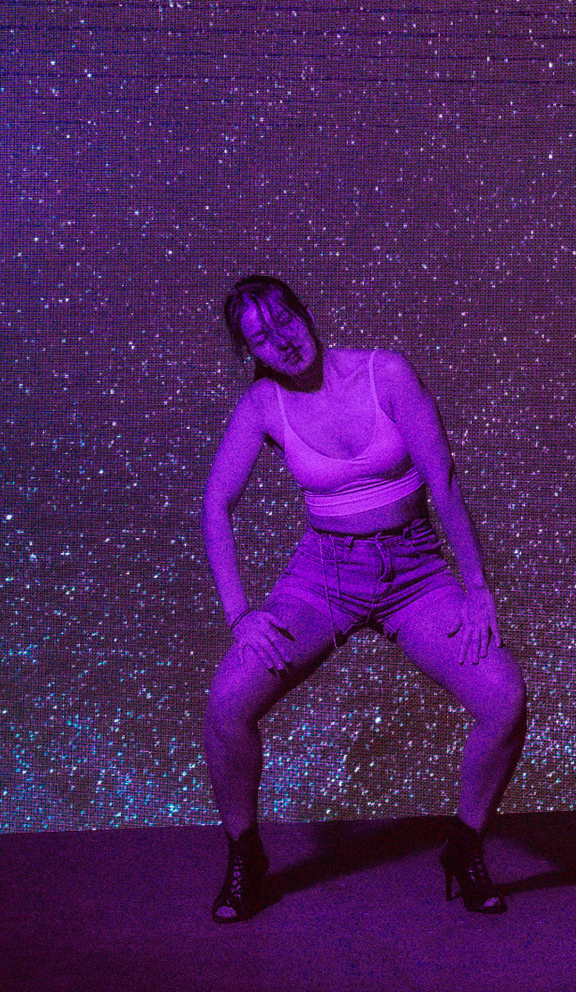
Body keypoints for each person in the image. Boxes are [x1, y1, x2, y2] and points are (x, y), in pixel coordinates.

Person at [201, 276, 527, 922]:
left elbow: (443, 481)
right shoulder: (264, 404)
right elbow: (216, 504)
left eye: (285, 320)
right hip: (324, 574)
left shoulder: (386, 373)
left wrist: (477, 588)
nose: (282, 341)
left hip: (415, 570)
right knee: (227, 704)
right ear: (251, 353)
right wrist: (240, 614)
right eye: (261, 338)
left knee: (504, 699)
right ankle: (245, 855)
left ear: (305, 312)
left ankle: (464, 846)